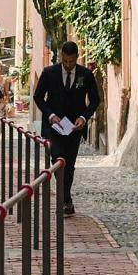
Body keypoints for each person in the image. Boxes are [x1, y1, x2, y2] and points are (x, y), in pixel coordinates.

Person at [32, 41, 101, 216]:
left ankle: (66, 197)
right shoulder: (49, 73)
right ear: (61, 56)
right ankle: (64, 199)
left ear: (77, 57)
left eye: (71, 62)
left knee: (69, 164)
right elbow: (38, 97)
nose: (68, 65)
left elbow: (95, 100)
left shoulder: (85, 74)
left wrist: (84, 117)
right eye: (65, 61)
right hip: (53, 127)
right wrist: (50, 115)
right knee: (58, 159)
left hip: (74, 129)